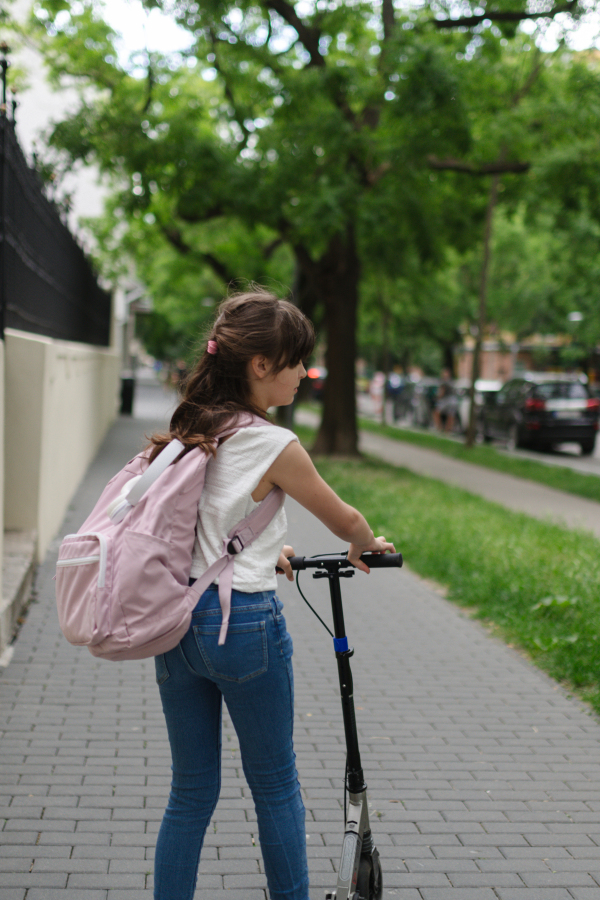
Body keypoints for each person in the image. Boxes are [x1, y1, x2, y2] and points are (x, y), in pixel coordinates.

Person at [149, 289, 395, 900]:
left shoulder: (195, 423)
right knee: (276, 783)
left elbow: (204, 518)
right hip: (244, 626)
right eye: (295, 361)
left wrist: (267, 551)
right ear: (261, 365)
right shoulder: (274, 443)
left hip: (178, 622)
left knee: (190, 790)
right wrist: (366, 545)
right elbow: (343, 519)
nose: (303, 373)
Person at [433, 368, 457, 433]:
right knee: (450, 415)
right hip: (453, 400)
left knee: (436, 412)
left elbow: (441, 392)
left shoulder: (443, 382)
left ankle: (439, 427)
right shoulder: (451, 382)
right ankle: (448, 430)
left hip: (446, 400)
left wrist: (437, 398)